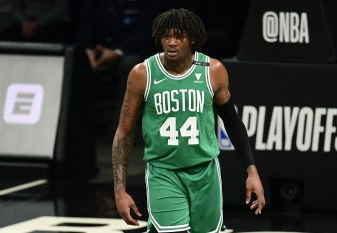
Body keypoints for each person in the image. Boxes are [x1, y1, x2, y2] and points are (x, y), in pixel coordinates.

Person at [112, 8, 265, 233]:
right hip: (164, 172)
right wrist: (119, 190)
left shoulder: (213, 71)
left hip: (206, 173)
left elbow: (232, 122)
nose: (172, 42)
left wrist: (252, 171)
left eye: (179, 36)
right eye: (167, 36)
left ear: (192, 38)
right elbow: (124, 133)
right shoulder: (142, 74)